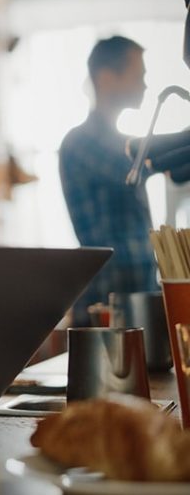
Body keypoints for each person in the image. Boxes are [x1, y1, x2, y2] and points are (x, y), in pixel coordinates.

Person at [59, 35, 156, 326]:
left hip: (138, 297)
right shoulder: (80, 140)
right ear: (105, 78)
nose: (144, 85)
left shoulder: (119, 141)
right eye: (137, 75)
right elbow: (135, 166)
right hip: (107, 303)